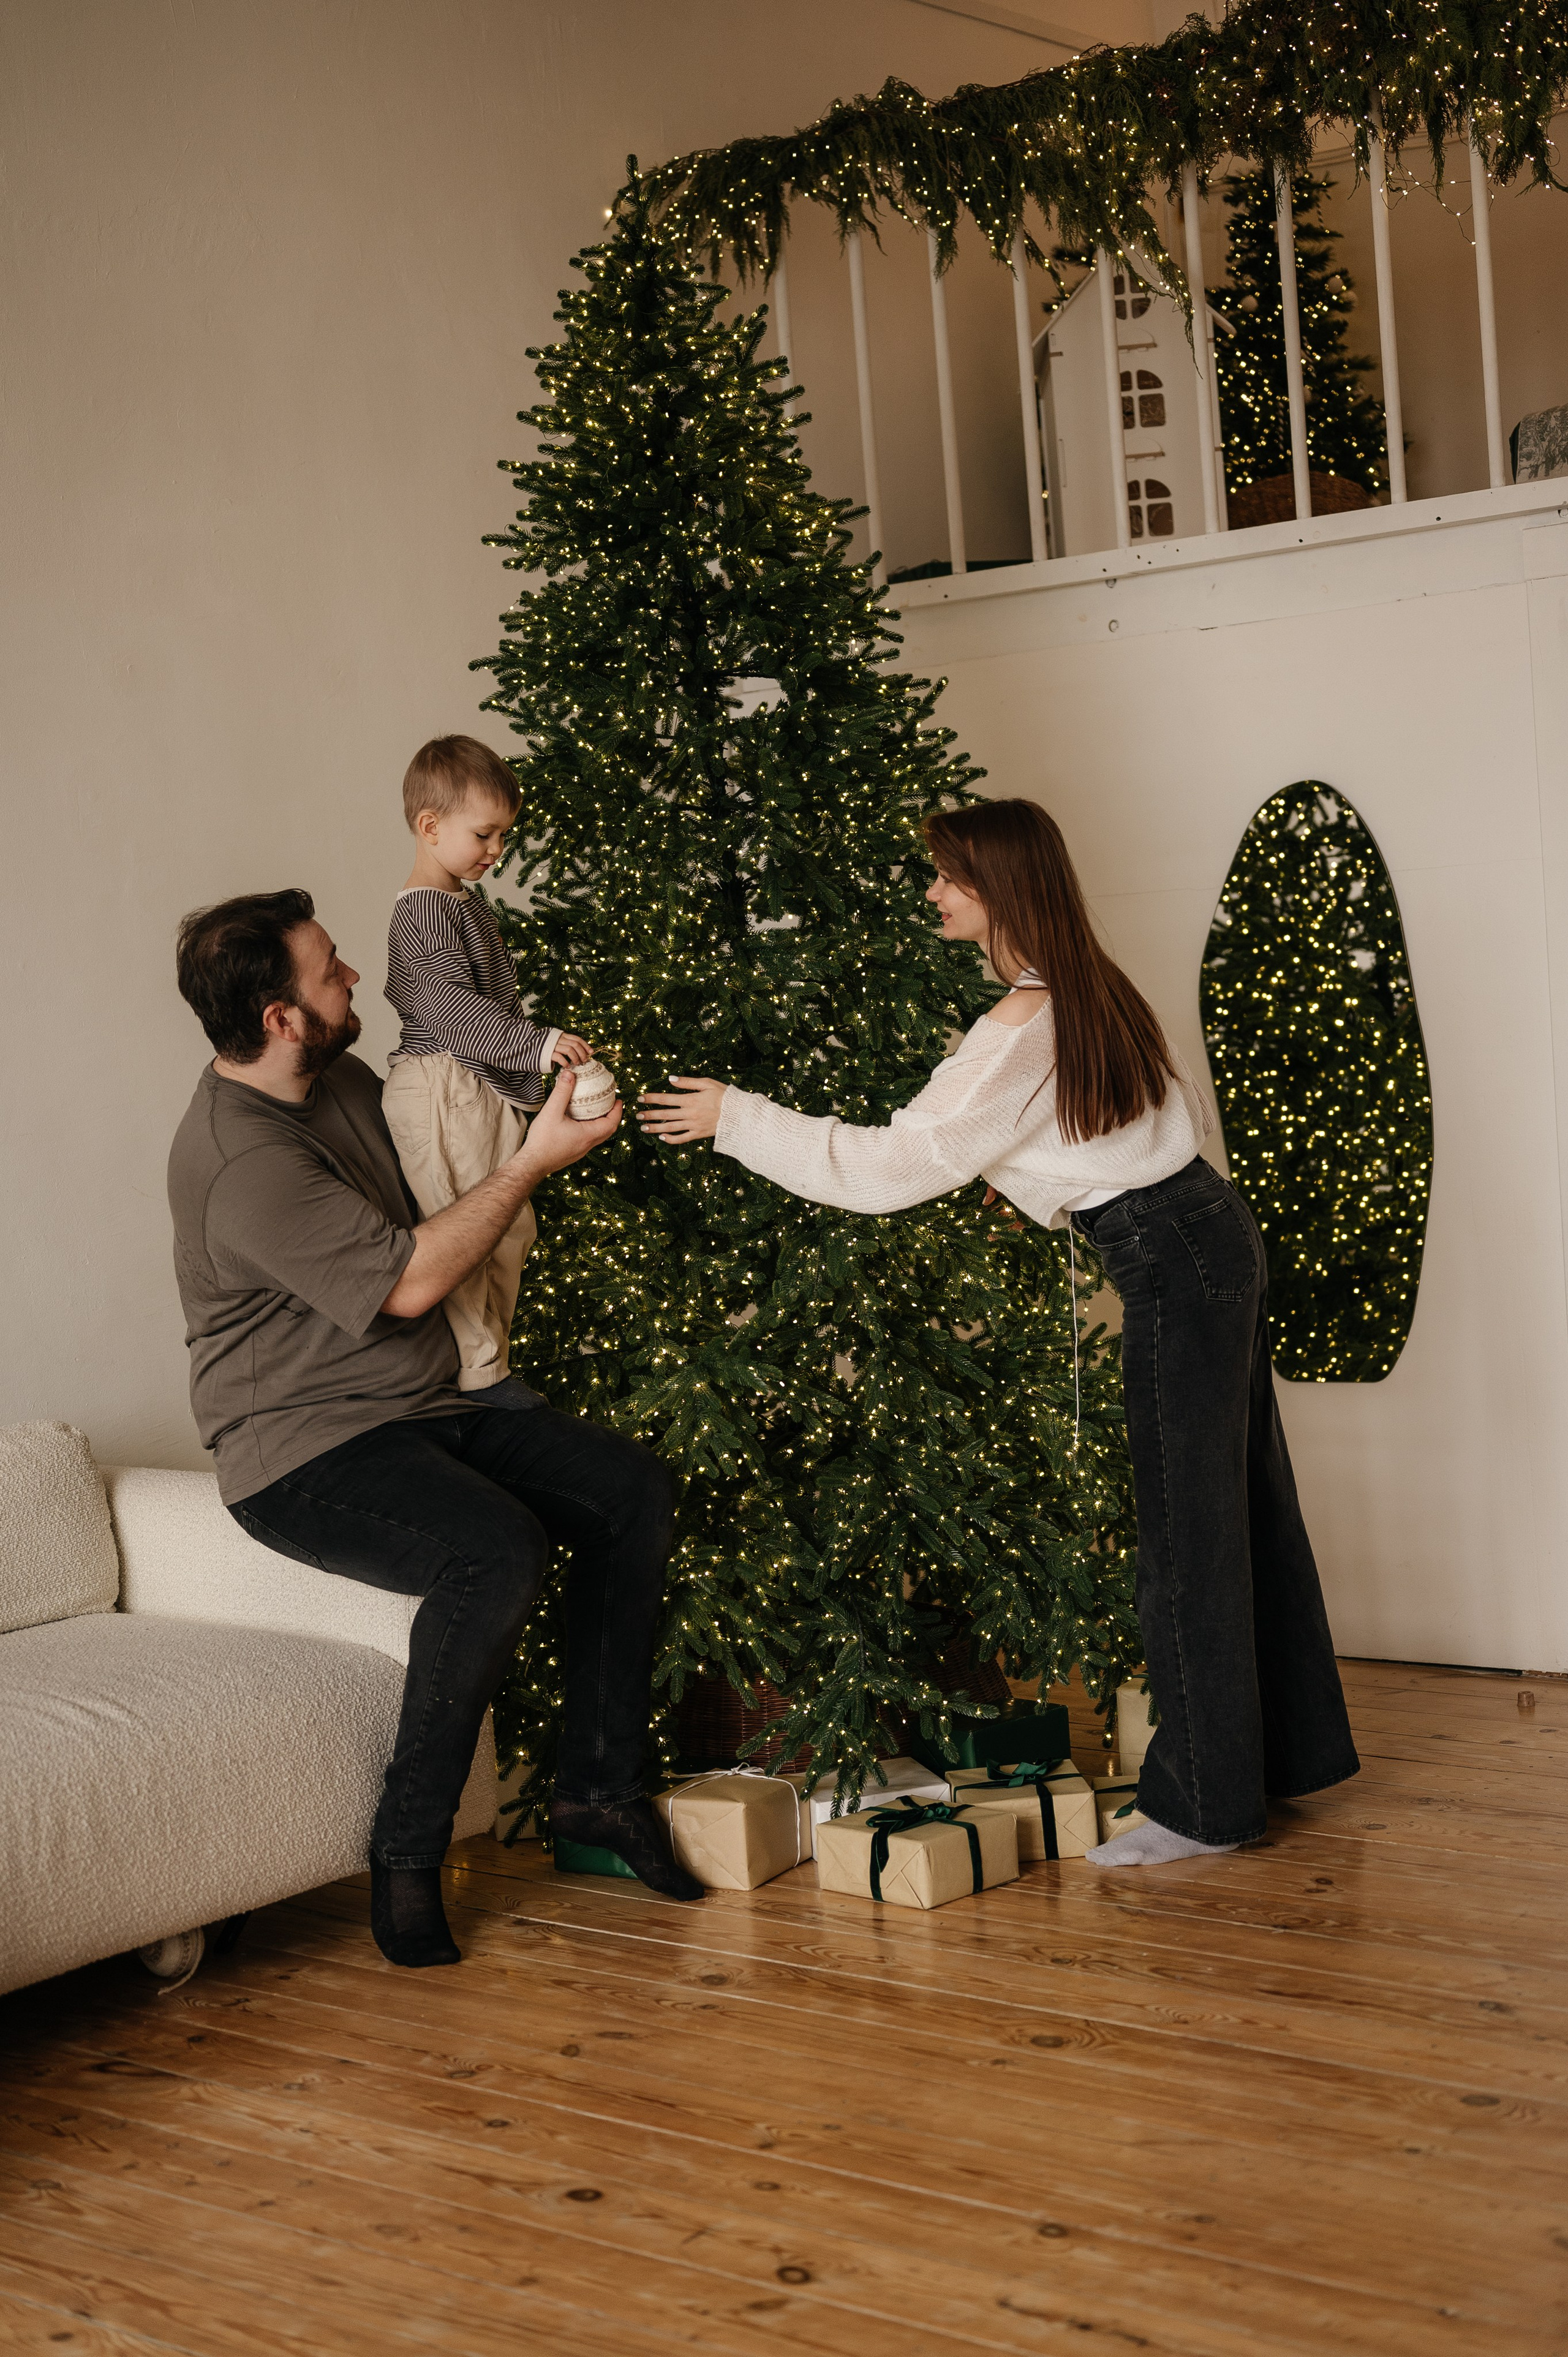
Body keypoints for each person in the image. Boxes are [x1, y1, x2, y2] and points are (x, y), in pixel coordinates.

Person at [638, 798, 1359, 1865]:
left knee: (1185, 1538)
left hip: (1174, 1259)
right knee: (1238, 1509)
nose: (932, 891)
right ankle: (1279, 1761)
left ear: (998, 889)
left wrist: (736, 1117)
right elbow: (1126, 1124)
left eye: (947, 876)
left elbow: (890, 1165)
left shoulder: (1020, 1025)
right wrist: (1032, 1177)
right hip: (1209, 1234)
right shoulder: (1086, 982)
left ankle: (1204, 1808)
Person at [168, 888, 703, 1969]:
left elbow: (447, 1147)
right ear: (280, 1016)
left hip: (427, 1401)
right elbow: (410, 1280)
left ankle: (599, 1790)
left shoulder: (343, 1075)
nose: (353, 976)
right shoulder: (243, 1162)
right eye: (329, 971)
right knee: (494, 1547)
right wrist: (535, 1163)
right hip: (302, 1445)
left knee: (629, 1490)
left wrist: (541, 1097)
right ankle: (406, 1851)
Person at [381, 735, 592, 1404]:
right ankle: (480, 1373)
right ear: (430, 826)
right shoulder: (422, 912)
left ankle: (489, 1360)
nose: (497, 851)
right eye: (486, 833)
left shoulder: (461, 901)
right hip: (445, 1083)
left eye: (505, 834)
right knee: (467, 1222)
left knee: (509, 1224)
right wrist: (535, 1044)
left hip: (475, 1079)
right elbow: (447, 1008)